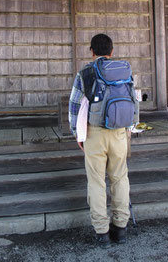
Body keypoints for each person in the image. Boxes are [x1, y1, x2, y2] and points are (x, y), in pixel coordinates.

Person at [68, 33, 130, 248]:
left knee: (96, 182)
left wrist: (77, 133)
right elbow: (132, 100)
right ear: (111, 52)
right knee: (120, 178)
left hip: (94, 133)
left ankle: (102, 232)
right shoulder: (124, 70)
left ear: (92, 51)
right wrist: (129, 129)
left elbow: (75, 106)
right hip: (120, 132)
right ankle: (120, 228)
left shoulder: (85, 72)